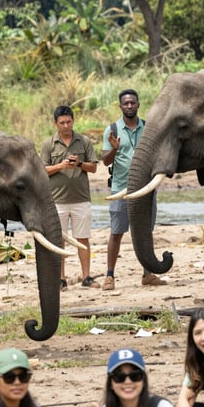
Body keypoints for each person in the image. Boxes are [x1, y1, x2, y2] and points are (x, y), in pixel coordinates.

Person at [101, 89, 164, 290]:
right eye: (125, 103)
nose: (129, 106)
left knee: (145, 232)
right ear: (120, 106)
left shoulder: (148, 127)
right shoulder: (112, 130)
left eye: (132, 103)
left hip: (146, 189)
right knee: (117, 232)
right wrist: (114, 148)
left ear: (138, 105)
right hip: (121, 188)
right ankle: (109, 276)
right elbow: (105, 161)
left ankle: (148, 274)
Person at [41, 104, 100, 290]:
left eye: (69, 122)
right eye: (62, 123)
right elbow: (42, 171)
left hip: (81, 199)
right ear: (55, 124)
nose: (66, 126)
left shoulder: (84, 141)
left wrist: (80, 163)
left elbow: (94, 167)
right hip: (56, 201)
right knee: (58, 240)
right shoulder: (48, 144)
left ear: (73, 121)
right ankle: (60, 279)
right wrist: (60, 166)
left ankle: (87, 277)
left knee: (83, 239)